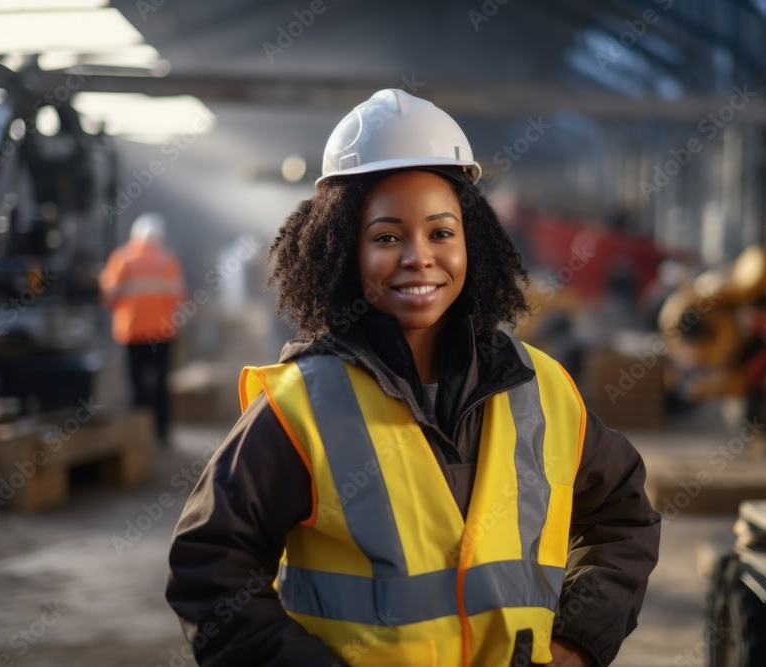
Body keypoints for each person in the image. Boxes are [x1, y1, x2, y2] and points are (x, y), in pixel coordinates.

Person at [166, 89, 660, 666]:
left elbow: (623, 515)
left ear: (472, 239)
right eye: (386, 237)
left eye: (441, 232)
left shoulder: (542, 389)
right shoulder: (300, 408)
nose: (418, 257)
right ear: (342, 251)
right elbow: (210, 572)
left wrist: (579, 641)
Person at [98, 212, 184, 448]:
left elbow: (109, 295)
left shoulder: (122, 258)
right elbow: (178, 296)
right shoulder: (167, 259)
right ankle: (162, 434)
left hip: (132, 333)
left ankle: (139, 437)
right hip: (162, 333)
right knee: (161, 384)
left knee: (136, 385)